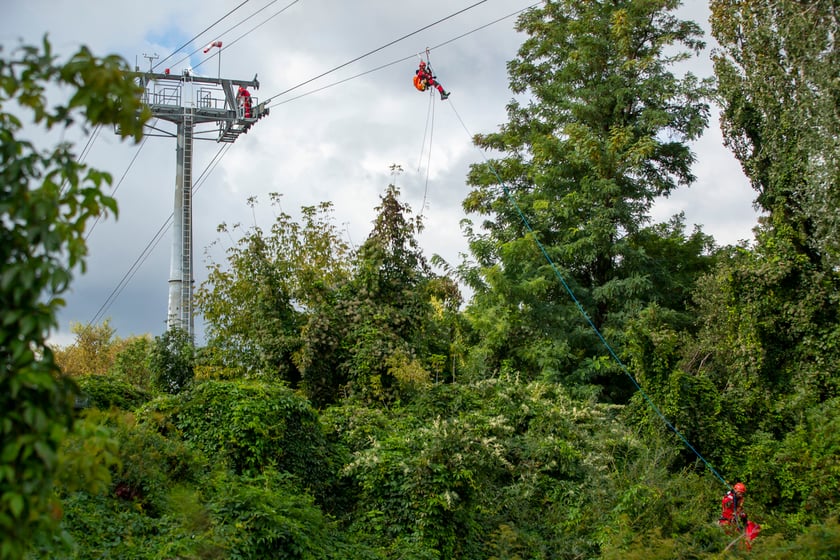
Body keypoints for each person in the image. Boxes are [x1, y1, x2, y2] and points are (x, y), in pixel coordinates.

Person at [720, 482, 760, 549]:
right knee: (728, 534)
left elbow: (739, 509)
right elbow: (726, 503)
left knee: (751, 524)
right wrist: (732, 500)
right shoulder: (729, 497)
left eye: (742, 493)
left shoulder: (740, 498)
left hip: (735, 520)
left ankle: (747, 541)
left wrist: (741, 513)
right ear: (736, 491)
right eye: (740, 493)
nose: (741, 495)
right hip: (726, 520)